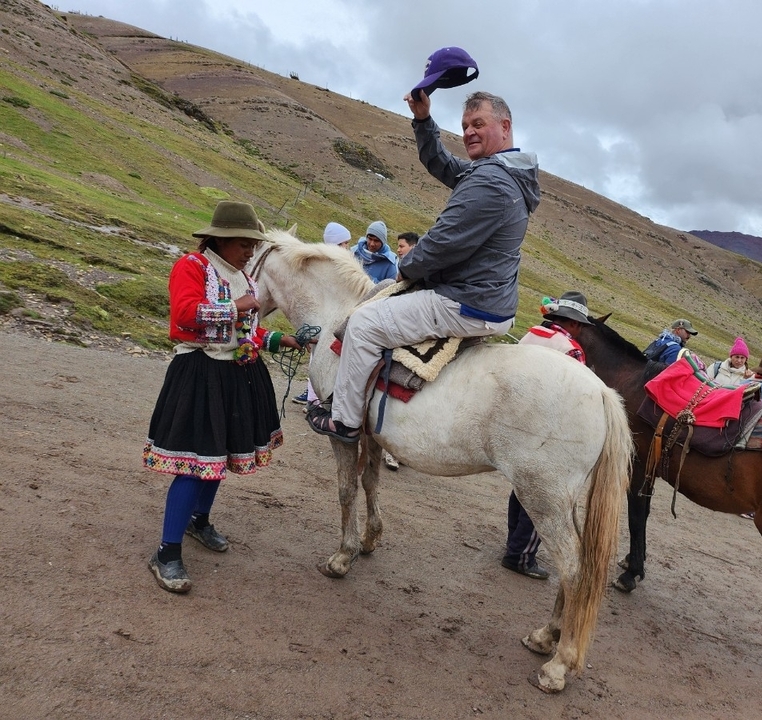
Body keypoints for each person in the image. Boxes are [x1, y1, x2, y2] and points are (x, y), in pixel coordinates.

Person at [307, 89, 539, 442]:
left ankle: (345, 421)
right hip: (489, 297)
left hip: (465, 300)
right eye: (465, 126)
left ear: (505, 127)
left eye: (479, 124)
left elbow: (444, 240)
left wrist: (407, 267)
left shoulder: (491, 181)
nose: (469, 132)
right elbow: (443, 164)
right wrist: (423, 120)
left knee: (363, 324)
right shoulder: (499, 172)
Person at [143, 201, 308, 593]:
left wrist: (280, 339)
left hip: (237, 375)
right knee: (193, 462)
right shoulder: (192, 267)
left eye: (252, 245)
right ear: (219, 239)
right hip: (200, 372)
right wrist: (235, 307)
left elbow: (245, 331)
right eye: (243, 244)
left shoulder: (243, 278)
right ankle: (166, 552)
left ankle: (199, 520)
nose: (250, 252)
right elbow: (183, 314)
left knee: (221, 458)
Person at [500, 291, 592, 580]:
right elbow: (574, 397)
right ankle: (520, 555)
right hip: (546, 429)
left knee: (520, 486)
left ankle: (513, 542)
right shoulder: (571, 349)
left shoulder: (531, 335)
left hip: (517, 422)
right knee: (541, 492)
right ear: (574, 324)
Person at [293, 222, 353, 405]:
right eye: (344, 244)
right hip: (324, 319)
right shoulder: (328, 267)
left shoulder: (342, 263)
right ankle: (314, 399)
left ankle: (321, 398)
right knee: (317, 358)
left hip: (336, 319)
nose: (347, 248)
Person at [380, 231, 423, 471]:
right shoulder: (407, 264)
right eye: (397, 246)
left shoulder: (417, 266)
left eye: (402, 246)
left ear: (414, 247)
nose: (398, 249)